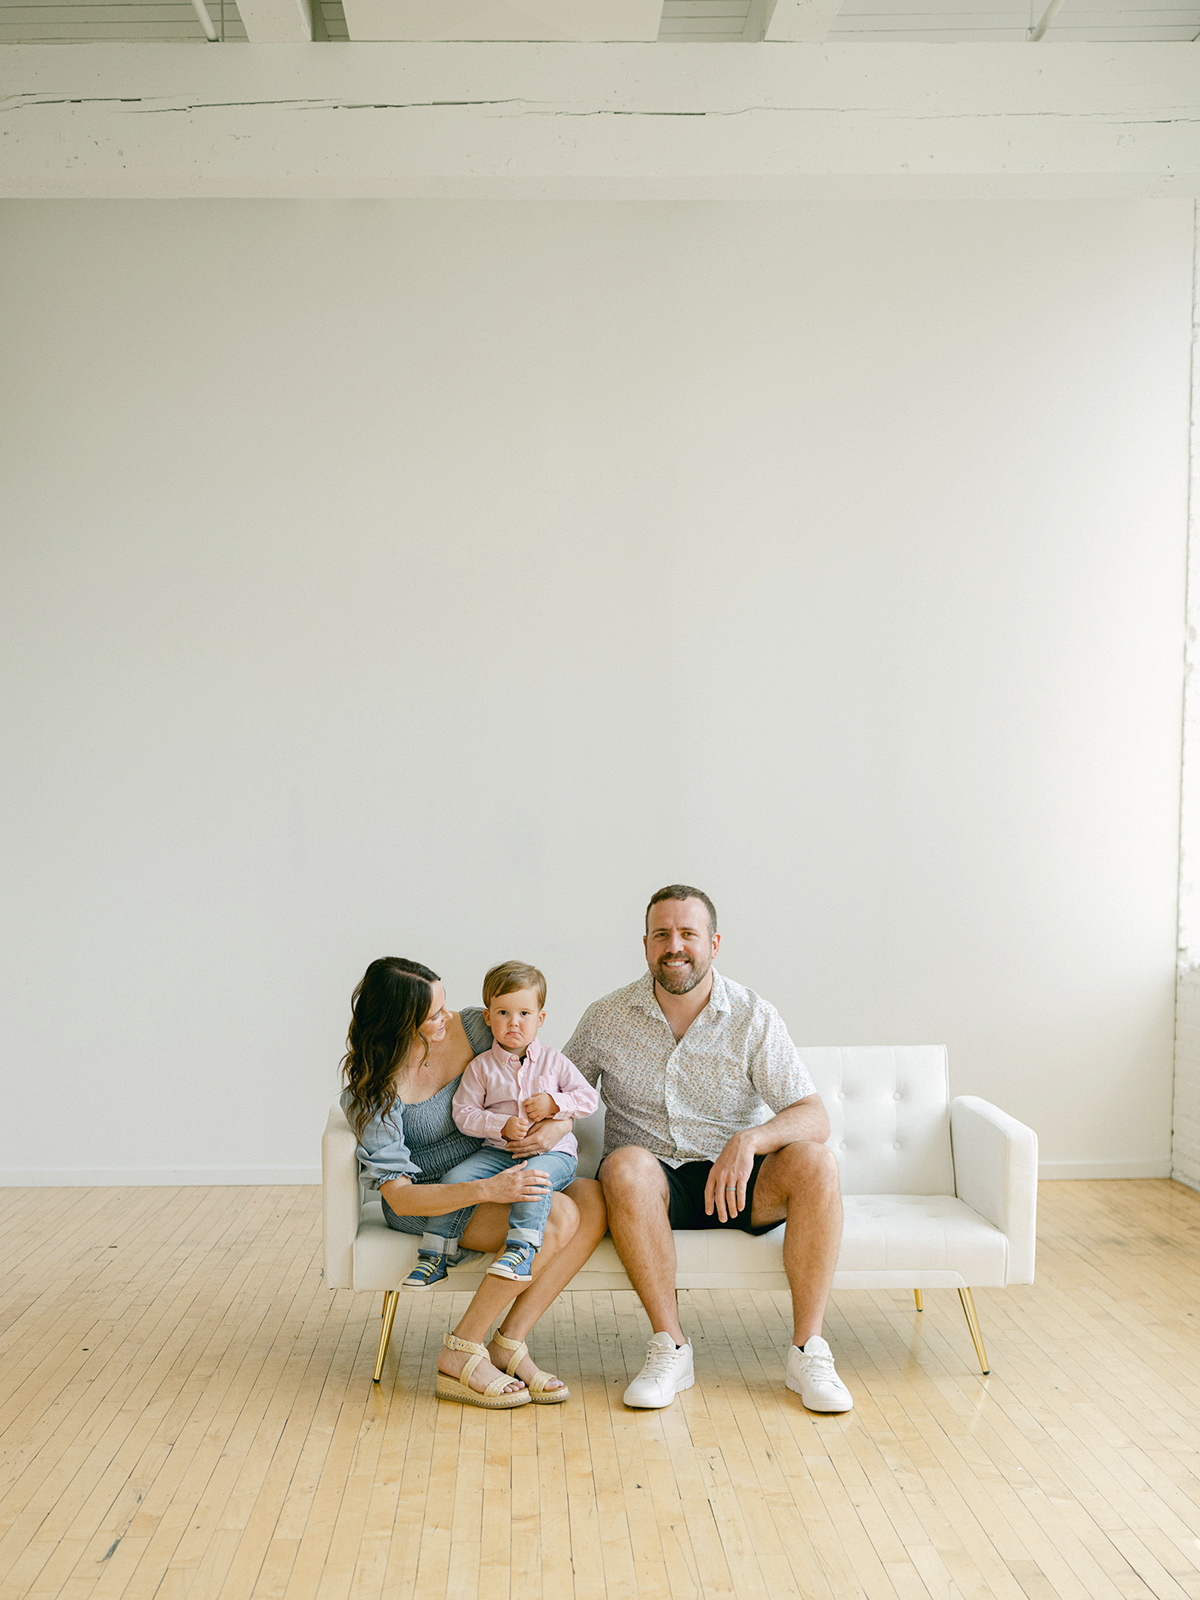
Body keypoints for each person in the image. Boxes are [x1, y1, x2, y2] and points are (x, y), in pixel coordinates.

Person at [565, 886, 852, 1414]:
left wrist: (751, 1140)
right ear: (646, 945)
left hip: (740, 1183)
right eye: (662, 934)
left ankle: (808, 1350)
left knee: (816, 1161)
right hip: (651, 1189)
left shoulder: (752, 1016)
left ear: (713, 943)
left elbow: (814, 1116)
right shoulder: (606, 1017)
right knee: (623, 1165)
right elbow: (561, 1096)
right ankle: (670, 1348)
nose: (675, 946)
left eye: (688, 934)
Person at [341, 957, 607, 1409]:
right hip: (439, 1199)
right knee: (560, 1213)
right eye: (433, 1015)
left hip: (504, 1162)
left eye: (444, 1005)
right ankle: (462, 1348)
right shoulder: (373, 1094)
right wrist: (488, 1190)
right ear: (399, 1022)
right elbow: (401, 1198)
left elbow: (541, 1076)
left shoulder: (475, 1028)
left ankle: (509, 1342)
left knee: (593, 1199)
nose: (448, 1017)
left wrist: (557, 1127)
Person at [429, 960, 600, 1285]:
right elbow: (464, 1114)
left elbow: (588, 1098)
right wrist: (500, 1126)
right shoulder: (481, 1068)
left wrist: (555, 1103)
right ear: (488, 1017)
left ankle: (521, 1250)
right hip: (498, 1153)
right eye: (503, 1013)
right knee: (456, 1177)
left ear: (540, 1018)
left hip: (554, 1156)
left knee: (531, 1181)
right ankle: (437, 1252)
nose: (513, 1023)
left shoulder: (554, 1062)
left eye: (524, 1014)